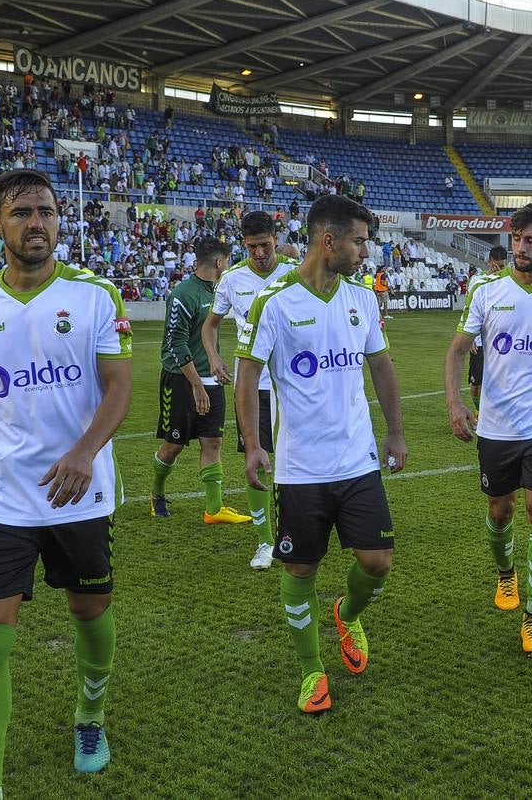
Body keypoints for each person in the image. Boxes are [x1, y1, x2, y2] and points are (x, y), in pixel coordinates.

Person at [0, 169, 133, 796]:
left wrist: (84, 452)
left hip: (79, 490)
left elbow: (119, 387)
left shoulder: (97, 295)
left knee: (90, 611)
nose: (37, 223)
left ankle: (89, 716)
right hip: (1, 494)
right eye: (22, 212)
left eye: (48, 212)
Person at [234, 195, 407, 714]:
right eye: (359, 241)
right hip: (302, 469)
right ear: (329, 242)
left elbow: (380, 367)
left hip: (357, 462)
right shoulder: (276, 301)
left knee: (377, 562)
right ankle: (312, 670)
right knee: (300, 572)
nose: (365, 251)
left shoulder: (361, 299)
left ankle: (347, 614)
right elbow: (247, 378)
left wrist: (395, 431)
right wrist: (252, 444)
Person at [444, 203, 532, 656]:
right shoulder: (485, 291)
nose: (520, 247)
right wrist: (455, 401)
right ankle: (506, 575)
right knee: (500, 511)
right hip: (496, 425)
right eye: (516, 238)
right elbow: (457, 352)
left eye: (530, 240)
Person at [201, 211, 299, 569]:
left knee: (294, 457)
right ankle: (264, 541)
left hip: (292, 383)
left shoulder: (295, 272)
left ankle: (295, 531)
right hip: (252, 384)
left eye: (265, 244)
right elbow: (210, 326)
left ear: (276, 237)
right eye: (252, 246)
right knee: (254, 459)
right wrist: (213, 357)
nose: (259, 252)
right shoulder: (232, 278)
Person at [149, 236, 251, 525]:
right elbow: (176, 343)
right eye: (227, 260)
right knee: (174, 445)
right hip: (181, 380)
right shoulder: (183, 294)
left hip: (211, 380)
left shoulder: (218, 292)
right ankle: (156, 493)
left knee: (213, 441)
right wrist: (196, 384)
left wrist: (215, 366)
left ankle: (213, 509)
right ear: (219, 262)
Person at [464, 245, 509, 407]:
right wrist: (470, 337)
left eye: (502, 267)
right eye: (494, 266)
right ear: (488, 262)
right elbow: (469, 312)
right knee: (477, 383)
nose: (497, 270)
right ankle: (479, 413)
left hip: (504, 342)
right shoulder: (477, 281)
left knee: (503, 383)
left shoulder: (511, 281)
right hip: (481, 341)